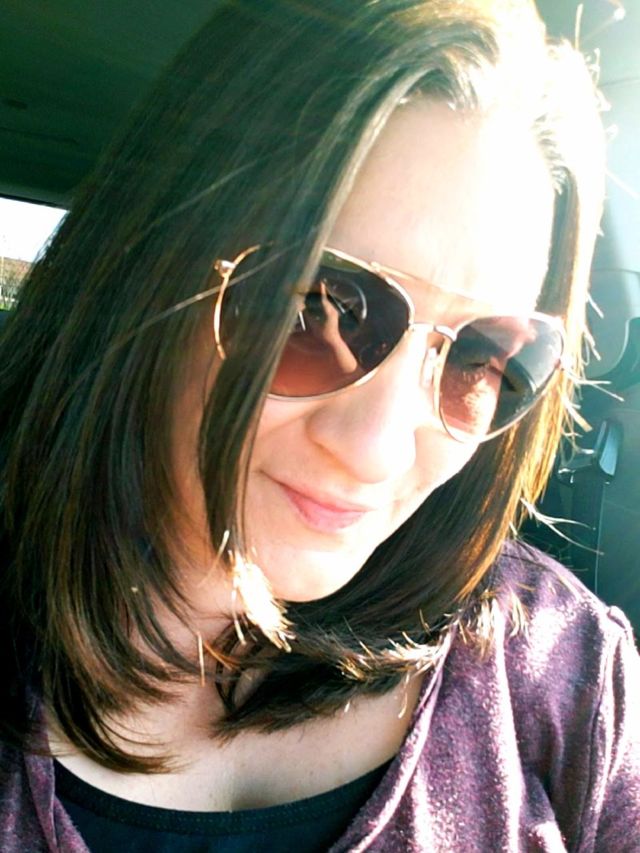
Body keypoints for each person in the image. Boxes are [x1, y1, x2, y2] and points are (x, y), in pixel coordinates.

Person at [0, 0, 638, 850]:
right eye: (313, 307)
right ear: (147, 267)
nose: (378, 449)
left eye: (479, 357)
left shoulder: (564, 668)